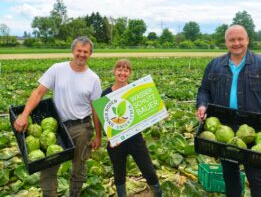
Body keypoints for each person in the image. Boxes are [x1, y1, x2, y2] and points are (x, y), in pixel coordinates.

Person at [196, 25, 261, 197]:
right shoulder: (215, 65)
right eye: (232, 40)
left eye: (240, 39)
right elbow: (204, 89)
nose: (236, 43)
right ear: (226, 42)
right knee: (230, 175)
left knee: (257, 178)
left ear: (247, 40)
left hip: (252, 132)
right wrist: (202, 105)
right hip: (223, 129)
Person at [14, 36, 102, 197]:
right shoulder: (57, 69)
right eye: (79, 51)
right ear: (73, 51)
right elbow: (39, 92)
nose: (82, 54)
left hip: (81, 127)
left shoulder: (93, 78)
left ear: (90, 54)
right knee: (48, 166)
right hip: (57, 128)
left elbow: (96, 108)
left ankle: (74, 194)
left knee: (79, 166)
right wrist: (24, 115)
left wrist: (98, 135)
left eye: (86, 52)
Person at [101, 59, 162, 197]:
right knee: (119, 174)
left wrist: (159, 113)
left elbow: (144, 110)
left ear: (130, 73)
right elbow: (105, 120)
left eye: (126, 70)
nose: (122, 73)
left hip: (136, 139)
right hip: (116, 143)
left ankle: (158, 194)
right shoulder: (105, 94)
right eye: (119, 69)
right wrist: (111, 137)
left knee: (149, 171)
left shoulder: (135, 90)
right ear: (114, 71)